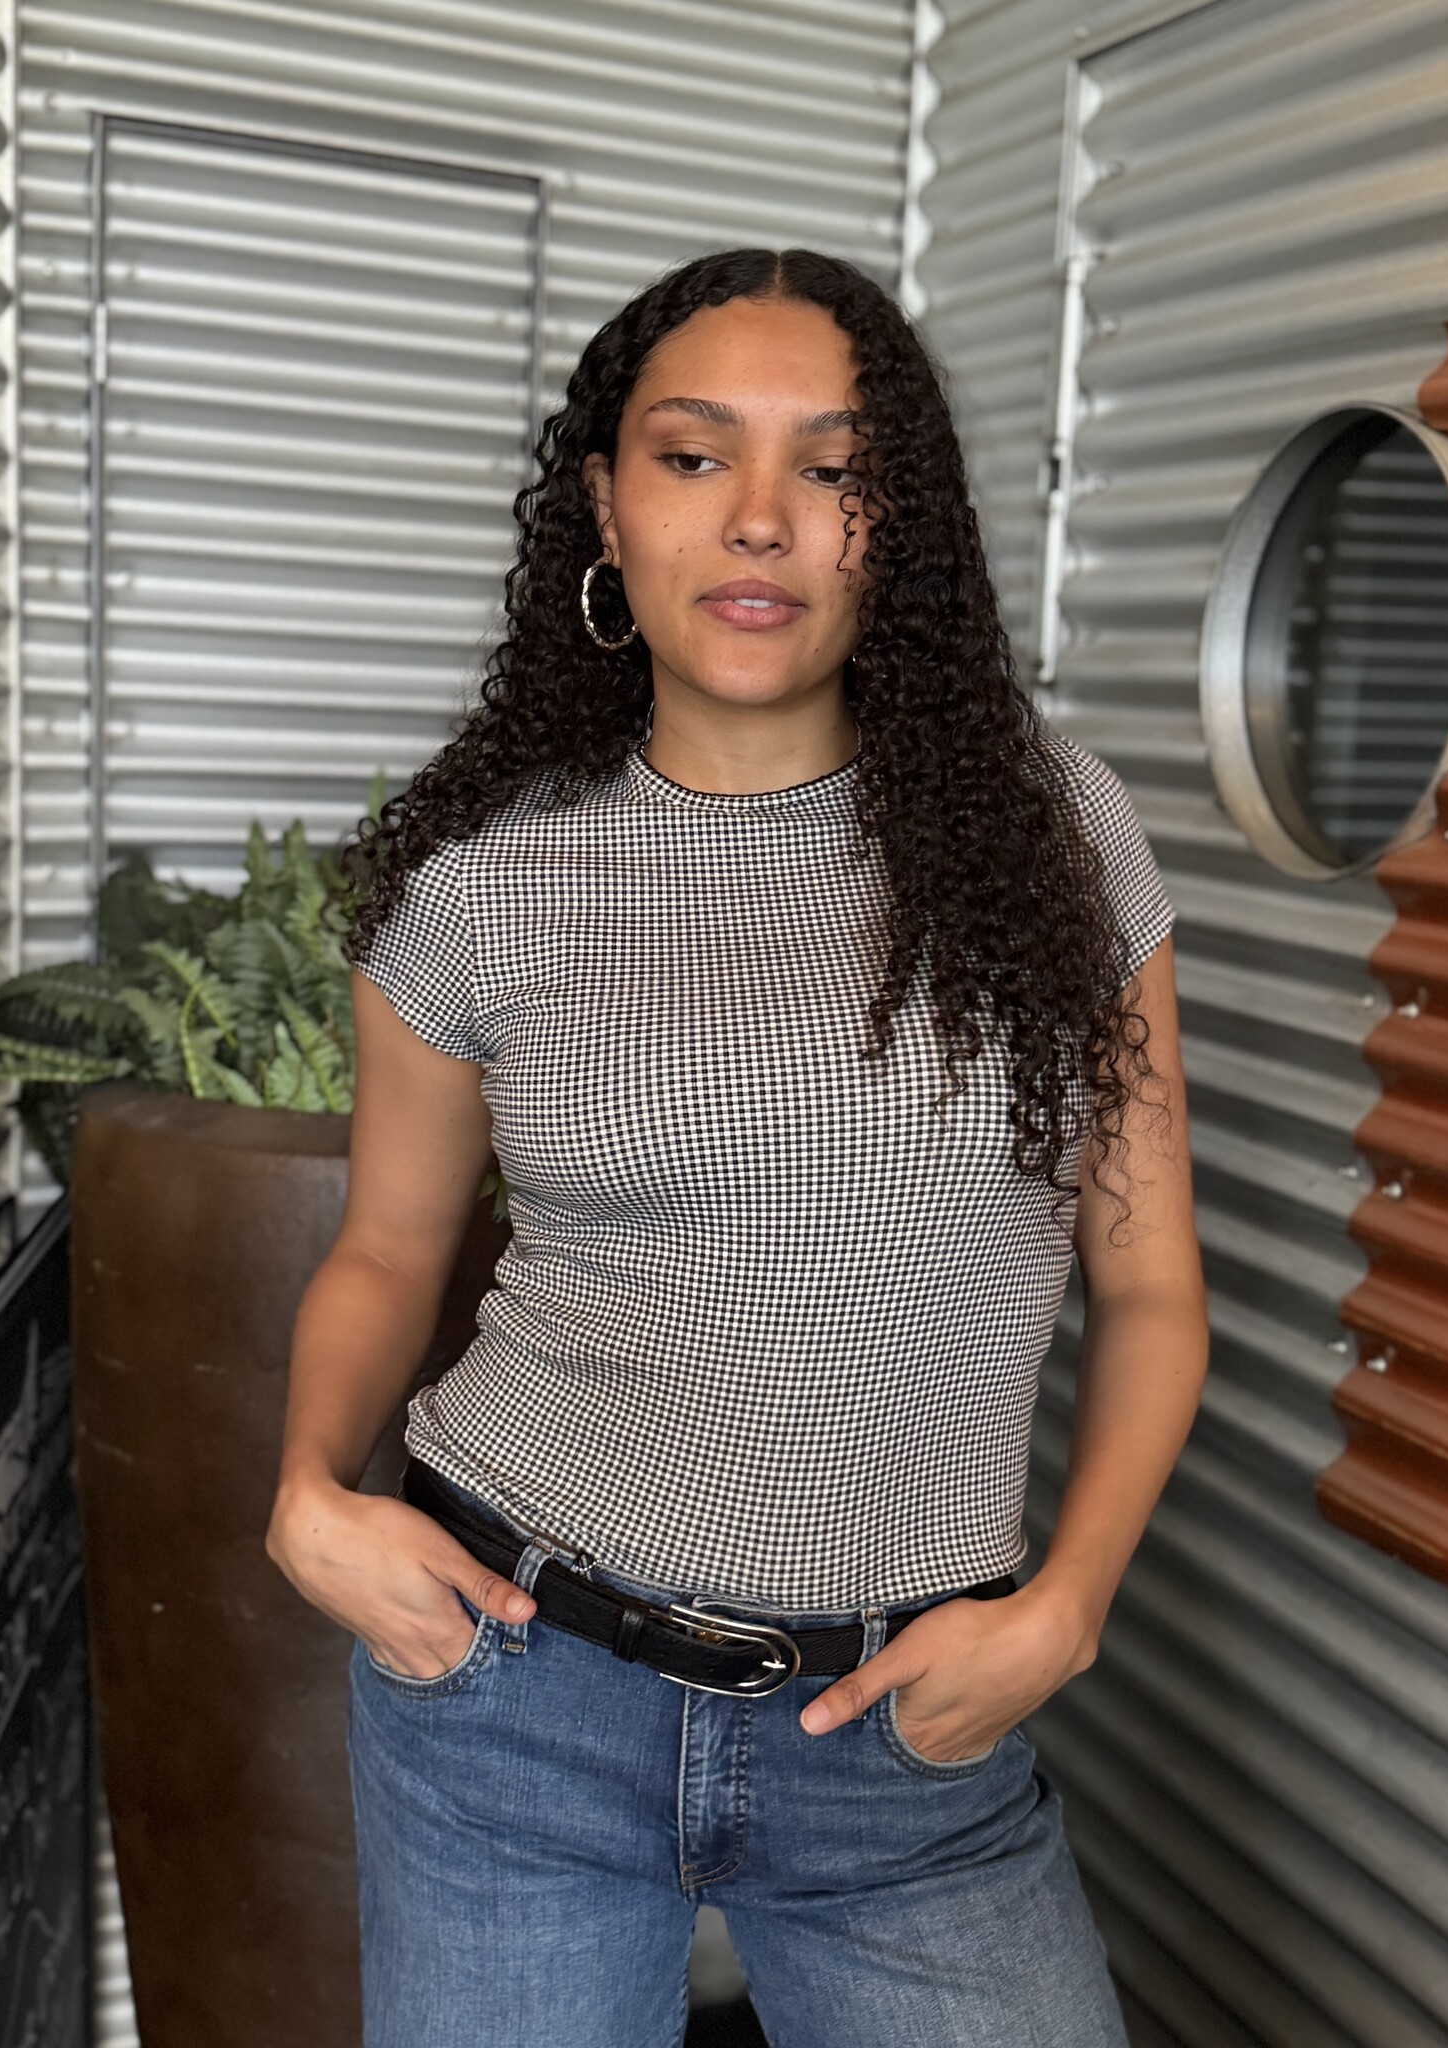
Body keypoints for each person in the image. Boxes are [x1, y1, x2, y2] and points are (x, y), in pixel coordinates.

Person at [267, 246, 1208, 2047]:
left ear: (897, 530)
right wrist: (312, 1490)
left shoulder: (1055, 837)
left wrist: (1069, 1603)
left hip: (905, 1726)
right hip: (516, 1691)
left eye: (833, 468)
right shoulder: (484, 879)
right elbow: (385, 1253)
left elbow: (1151, 1287)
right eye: (694, 457)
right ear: (605, 511)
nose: (760, 517)